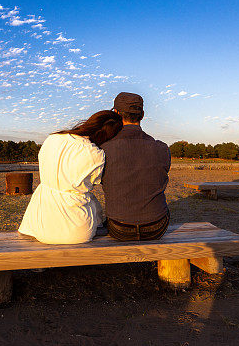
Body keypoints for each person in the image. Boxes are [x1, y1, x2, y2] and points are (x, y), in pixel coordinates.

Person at [18, 110, 123, 244]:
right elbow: (94, 182)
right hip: (76, 230)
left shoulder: (52, 139)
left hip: (40, 223)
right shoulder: (96, 155)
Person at [101, 92, 171, 241]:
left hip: (119, 229)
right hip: (157, 228)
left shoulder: (105, 149)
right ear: (142, 115)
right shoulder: (162, 148)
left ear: (116, 113)